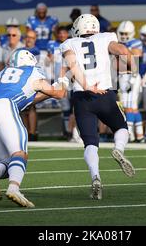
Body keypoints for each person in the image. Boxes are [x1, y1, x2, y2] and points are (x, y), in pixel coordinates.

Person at [0, 49, 67, 207]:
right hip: (4, 107)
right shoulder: (32, 71)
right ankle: (14, 188)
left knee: (9, 161)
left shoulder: (2, 74)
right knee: (20, 154)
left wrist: (49, 91)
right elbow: (59, 94)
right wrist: (63, 82)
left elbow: (27, 98)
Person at [60, 14, 135, 200]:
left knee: (90, 142)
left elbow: (71, 63)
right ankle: (119, 148)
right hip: (105, 94)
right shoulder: (106, 37)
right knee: (121, 127)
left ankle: (96, 176)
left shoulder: (69, 43)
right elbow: (122, 50)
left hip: (82, 96)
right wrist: (131, 66)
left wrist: (85, 84)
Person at [116, 20, 144, 142]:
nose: (124, 36)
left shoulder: (135, 43)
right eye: (122, 33)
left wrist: (133, 77)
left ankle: (130, 134)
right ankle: (140, 135)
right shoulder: (118, 43)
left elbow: (136, 57)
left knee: (128, 107)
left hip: (132, 75)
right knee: (133, 107)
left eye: (126, 33)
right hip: (122, 75)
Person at [47, 26, 71, 137]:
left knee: (74, 105)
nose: (62, 35)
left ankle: (74, 130)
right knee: (65, 106)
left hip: (72, 78)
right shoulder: (52, 44)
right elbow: (49, 61)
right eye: (60, 33)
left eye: (64, 33)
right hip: (60, 79)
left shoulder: (71, 43)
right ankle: (67, 131)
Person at [25, 3, 59, 80]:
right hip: (35, 49)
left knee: (49, 75)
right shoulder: (31, 19)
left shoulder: (52, 20)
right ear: (36, 11)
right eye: (39, 10)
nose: (41, 12)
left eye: (43, 10)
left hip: (48, 50)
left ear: (46, 11)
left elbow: (57, 35)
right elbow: (29, 34)